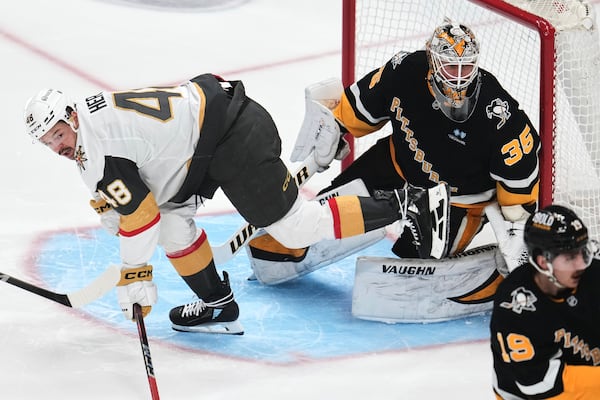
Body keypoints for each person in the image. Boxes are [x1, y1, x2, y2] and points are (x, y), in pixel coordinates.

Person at [23, 74, 448, 335]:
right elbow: (132, 195)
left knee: (296, 228)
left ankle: (406, 201)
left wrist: (135, 275)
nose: (56, 146)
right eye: (48, 143)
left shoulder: (96, 148)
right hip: (202, 143)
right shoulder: (89, 127)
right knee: (174, 229)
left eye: (58, 134)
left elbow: (140, 215)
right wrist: (112, 209)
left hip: (231, 136)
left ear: (71, 117)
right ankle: (219, 306)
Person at [247, 20, 540, 281]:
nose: (460, 77)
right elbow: (358, 110)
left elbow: (519, 180)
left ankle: (415, 225)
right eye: (451, 66)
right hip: (397, 166)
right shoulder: (404, 71)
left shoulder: (498, 113)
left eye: (467, 66)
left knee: (414, 270)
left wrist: (517, 226)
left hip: (458, 201)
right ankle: (380, 208)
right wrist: (335, 129)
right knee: (278, 246)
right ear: (432, 60)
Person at [490, 204, 600, 399]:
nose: (582, 264)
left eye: (583, 252)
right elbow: (536, 383)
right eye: (570, 258)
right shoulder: (514, 307)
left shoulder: (591, 273)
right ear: (543, 262)